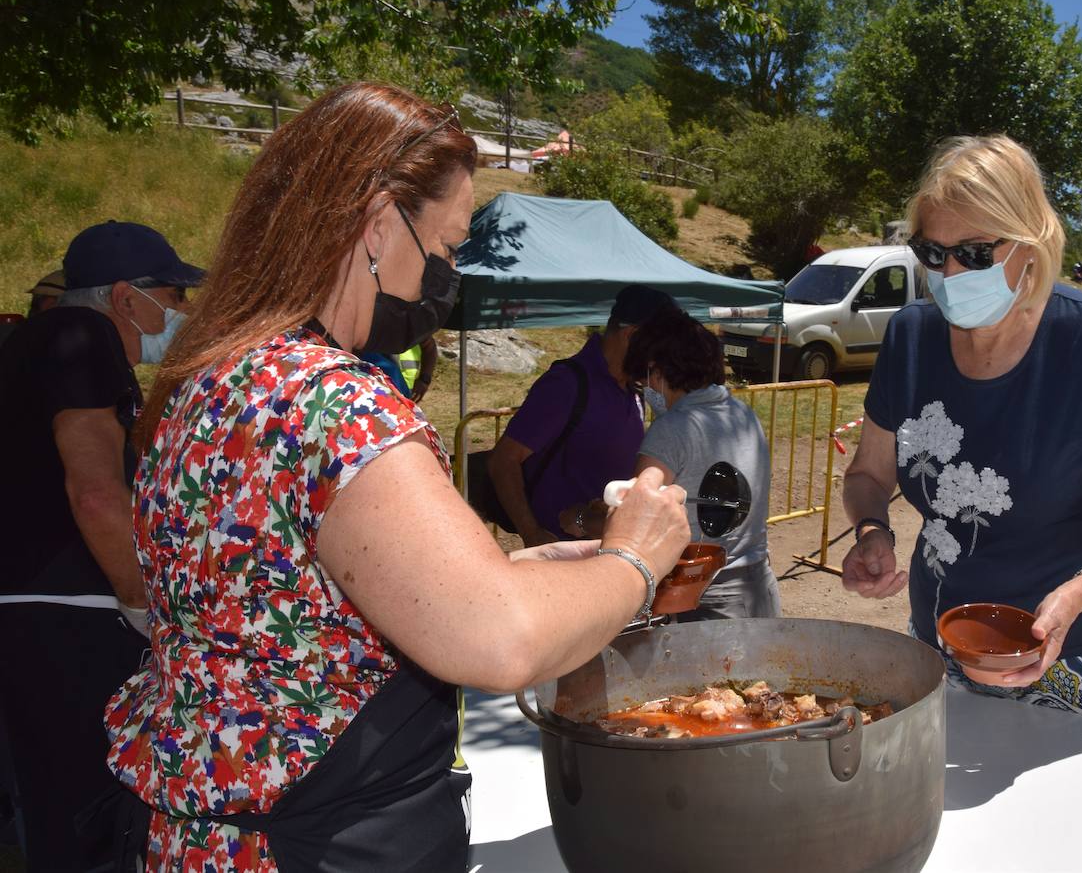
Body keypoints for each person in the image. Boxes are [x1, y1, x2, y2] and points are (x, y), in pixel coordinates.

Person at [101, 83, 690, 870]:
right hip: (319, 841)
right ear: (379, 223)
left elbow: (288, 601)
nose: (443, 279)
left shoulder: (205, 382)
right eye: (444, 248)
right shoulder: (335, 401)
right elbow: (502, 640)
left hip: (201, 835)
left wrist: (511, 570)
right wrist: (636, 558)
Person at [841, 135, 1082, 729]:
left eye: (976, 253)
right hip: (942, 644)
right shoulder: (911, 337)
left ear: (1030, 243)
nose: (951, 273)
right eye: (933, 252)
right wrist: (873, 531)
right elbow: (868, 474)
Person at [0, 221, 200, 870]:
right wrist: (150, 608)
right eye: (173, 295)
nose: (181, 312)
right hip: (66, 616)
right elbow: (94, 494)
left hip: (34, 614)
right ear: (125, 297)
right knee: (89, 831)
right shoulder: (79, 337)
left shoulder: (32, 344)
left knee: (53, 823)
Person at [620, 307, 780, 621]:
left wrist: (585, 519)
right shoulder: (743, 414)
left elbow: (637, 515)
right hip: (757, 588)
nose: (647, 388)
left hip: (701, 599)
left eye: (646, 379)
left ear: (657, 371)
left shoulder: (672, 429)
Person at [489, 284, 677, 546]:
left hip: (612, 550)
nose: (663, 358)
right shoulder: (566, 384)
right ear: (632, 335)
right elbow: (503, 460)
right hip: (562, 557)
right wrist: (531, 532)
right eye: (661, 348)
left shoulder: (633, 391)